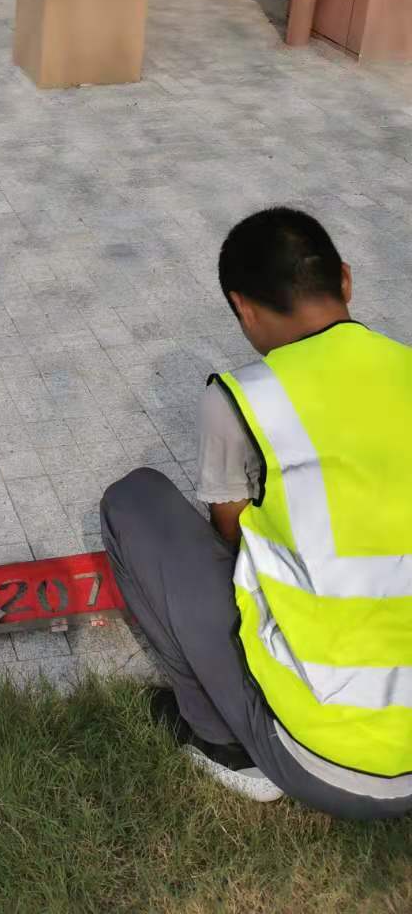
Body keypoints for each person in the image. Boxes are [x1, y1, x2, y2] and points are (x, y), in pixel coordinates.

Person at [101, 207, 412, 818]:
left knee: (134, 501)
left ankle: (226, 747)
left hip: (328, 764)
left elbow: (234, 539)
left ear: (243, 307)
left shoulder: (245, 398)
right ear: (345, 280)